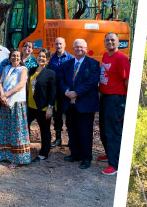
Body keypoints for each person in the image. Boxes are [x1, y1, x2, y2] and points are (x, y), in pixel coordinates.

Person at [59, 39, 100, 169]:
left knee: (85, 132)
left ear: (86, 49)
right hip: (69, 103)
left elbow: (92, 82)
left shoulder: (93, 63)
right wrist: (66, 91)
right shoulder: (67, 64)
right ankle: (75, 154)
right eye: (76, 47)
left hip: (85, 104)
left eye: (81, 47)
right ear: (73, 49)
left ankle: (86, 158)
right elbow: (60, 79)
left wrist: (76, 92)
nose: (78, 49)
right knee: (72, 130)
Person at [98, 32, 129, 176]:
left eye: (113, 40)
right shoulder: (106, 55)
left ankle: (115, 164)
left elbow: (127, 80)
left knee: (113, 131)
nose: (110, 42)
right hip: (104, 97)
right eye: (108, 40)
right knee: (104, 128)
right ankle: (110, 154)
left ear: (117, 42)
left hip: (115, 99)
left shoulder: (122, 58)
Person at [0, 51, 30, 167]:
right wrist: (2, 94)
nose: (15, 57)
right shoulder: (6, 68)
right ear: (10, 58)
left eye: (17, 56)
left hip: (17, 102)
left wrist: (6, 94)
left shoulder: (23, 69)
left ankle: (18, 158)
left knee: (17, 129)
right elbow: (0, 82)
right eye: (13, 56)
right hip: (5, 102)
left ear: (20, 58)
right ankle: (6, 155)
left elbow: (21, 85)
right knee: (6, 128)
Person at [25, 49, 56, 162]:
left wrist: (50, 107)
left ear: (47, 59)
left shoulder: (50, 73)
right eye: (39, 56)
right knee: (25, 126)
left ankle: (44, 153)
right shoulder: (32, 70)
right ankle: (25, 148)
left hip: (42, 107)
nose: (41, 58)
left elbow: (53, 92)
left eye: (44, 57)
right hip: (30, 106)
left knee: (44, 130)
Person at [48, 37, 74, 147]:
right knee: (57, 115)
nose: (58, 46)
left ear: (64, 45)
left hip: (67, 91)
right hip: (55, 91)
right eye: (57, 44)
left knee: (69, 114)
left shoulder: (70, 58)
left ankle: (71, 139)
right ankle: (58, 138)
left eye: (60, 44)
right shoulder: (52, 58)